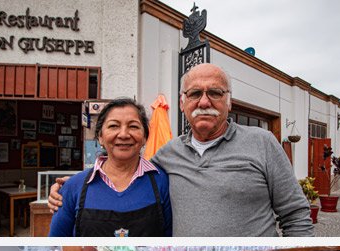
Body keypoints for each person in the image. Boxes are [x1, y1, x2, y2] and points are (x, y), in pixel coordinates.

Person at [48, 63, 313, 237]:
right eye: (195, 93)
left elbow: (295, 215)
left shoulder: (263, 142)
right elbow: (123, 170)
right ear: (183, 103)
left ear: (229, 102)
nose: (205, 101)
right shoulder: (167, 155)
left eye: (216, 93)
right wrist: (67, 188)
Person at [49, 97, 172, 237]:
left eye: (133, 126)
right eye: (114, 126)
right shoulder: (73, 187)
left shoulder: (162, 182)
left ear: (144, 137)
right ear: (100, 137)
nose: (124, 134)